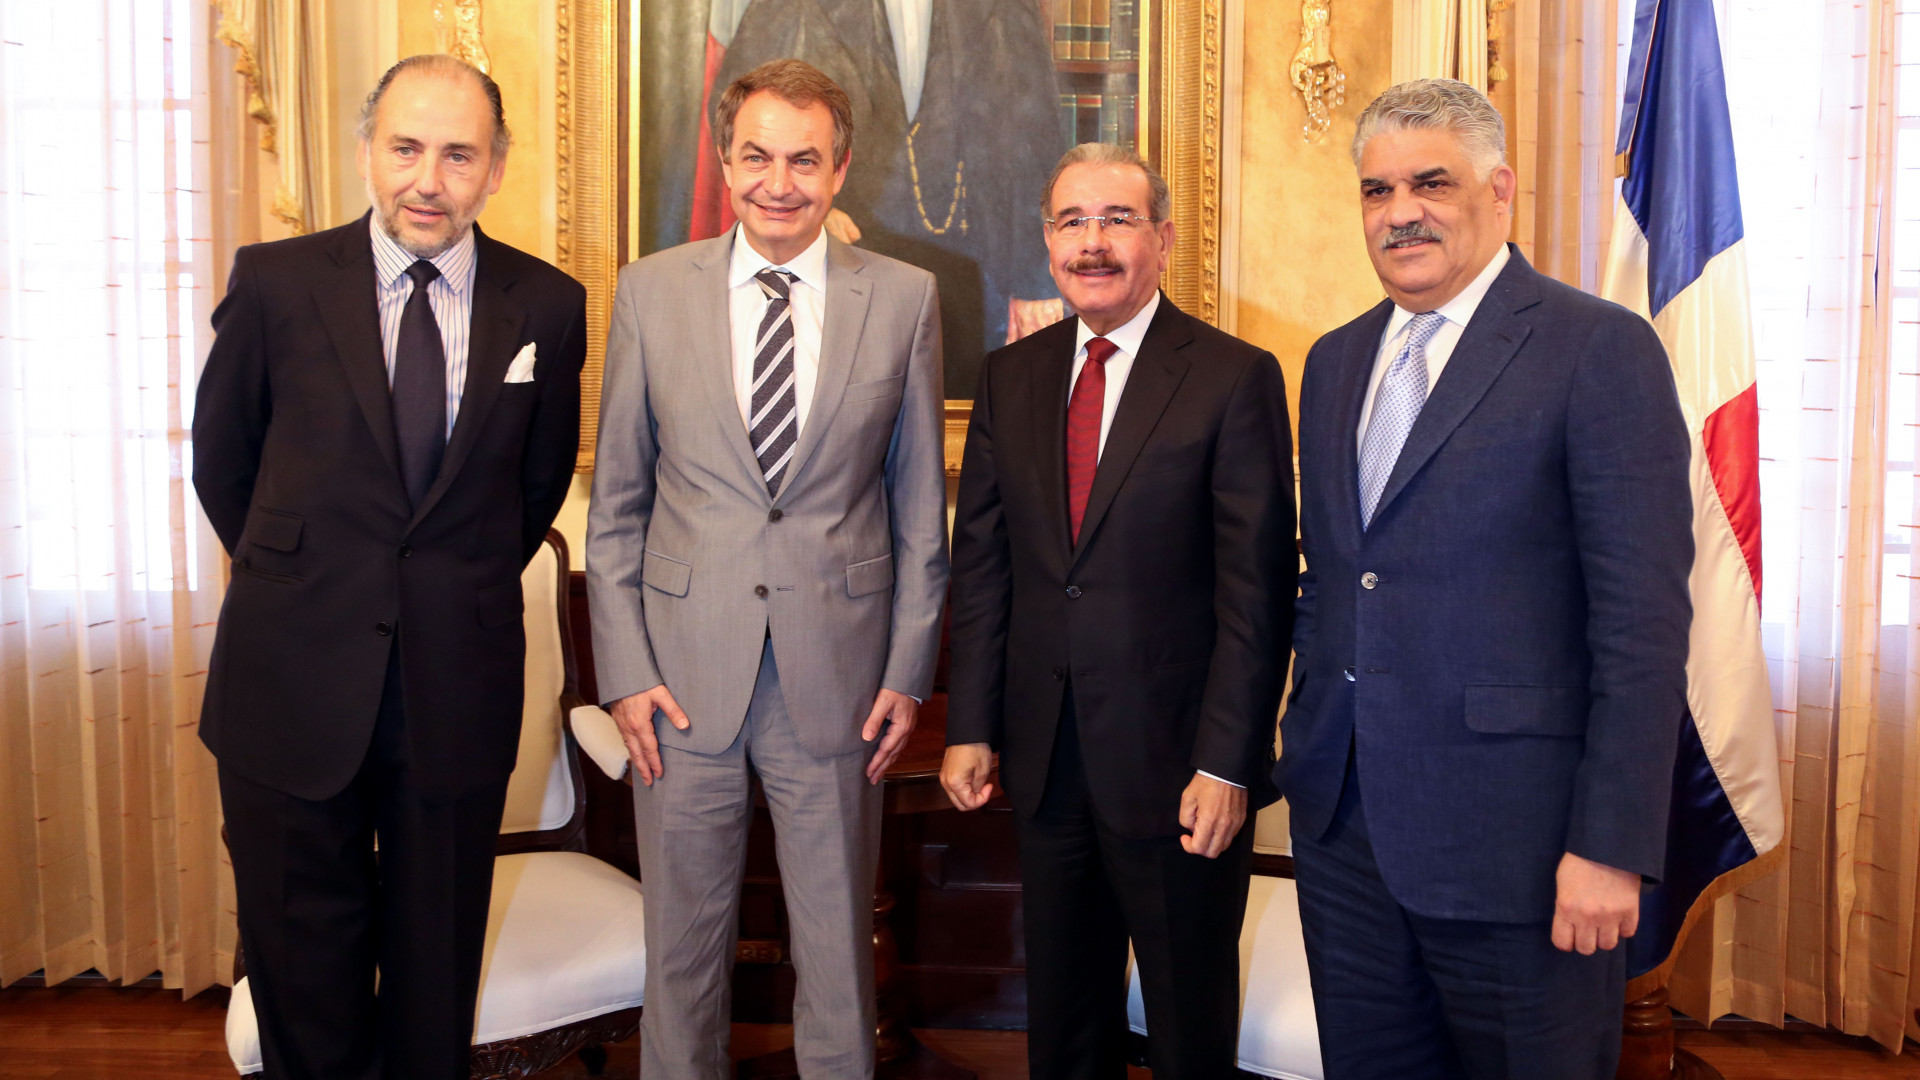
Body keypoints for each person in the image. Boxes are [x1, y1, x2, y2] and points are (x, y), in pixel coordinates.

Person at [1280, 78, 1693, 1079]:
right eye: (1377, 190)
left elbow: (1640, 627)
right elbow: (1338, 582)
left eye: (1431, 183)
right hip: (1345, 840)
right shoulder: (1334, 362)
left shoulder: (1598, 348)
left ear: (1499, 190)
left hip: (1524, 849)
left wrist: (1611, 845)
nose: (1400, 212)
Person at [192, 55, 586, 1079]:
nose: (428, 180)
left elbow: (531, 491)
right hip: (289, 684)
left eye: (458, 155)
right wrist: (309, 582)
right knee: (302, 984)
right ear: (367, 149)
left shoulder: (548, 306)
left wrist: (437, 587)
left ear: (496, 168)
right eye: (406, 148)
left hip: (455, 688)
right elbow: (223, 463)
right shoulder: (276, 283)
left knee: (433, 983)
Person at [586, 59, 949, 1079]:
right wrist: (625, 674)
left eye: (803, 160)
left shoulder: (906, 299)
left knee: (837, 962)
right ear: (724, 159)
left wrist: (907, 673)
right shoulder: (651, 291)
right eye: (757, 157)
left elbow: (920, 513)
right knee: (682, 960)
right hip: (678, 685)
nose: (778, 183)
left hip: (840, 683)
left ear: (841, 168)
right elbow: (615, 510)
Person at [942, 142, 1296, 1079]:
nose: (1092, 242)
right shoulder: (1010, 377)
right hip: (1046, 759)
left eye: (1117, 219)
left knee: (1187, 1023)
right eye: (1072, 222)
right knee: (1065, 1020)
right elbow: (985, 569)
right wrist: (971, 724)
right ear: (1047, 241)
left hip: (1179, 768)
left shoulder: (1232, 376)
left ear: (1163, 239)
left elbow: (1256, 593)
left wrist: (1226, 762)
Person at [712, 0, 1064, 394]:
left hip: (977, 265)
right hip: (849, 256)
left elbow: (1034, 129)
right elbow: (738, 110)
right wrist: (813, 203)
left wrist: (1036, 281)